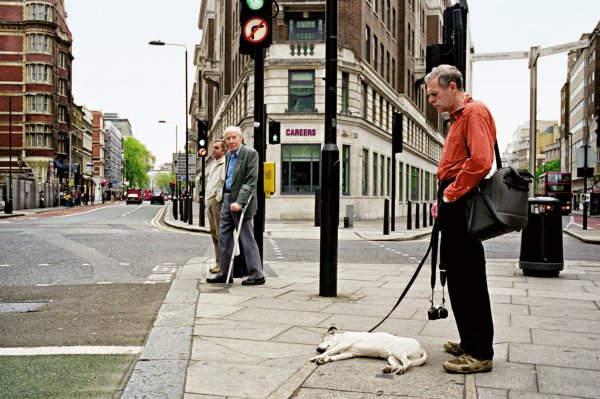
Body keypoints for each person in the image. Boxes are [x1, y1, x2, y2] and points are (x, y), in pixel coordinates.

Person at [425, 64, 495, 374]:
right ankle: (470, 340)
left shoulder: (473, 112)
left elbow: (481, 160)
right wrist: (442, 199)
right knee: (456, 273)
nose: (430, 100)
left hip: (462, 201)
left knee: (468, 278)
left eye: (434, 93)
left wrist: (451, 195)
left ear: (453, 87)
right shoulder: (458, 118)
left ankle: (480, 352)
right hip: (454, 201)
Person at [206, 126, 265, 286]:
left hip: (240, 201)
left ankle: (257, 274)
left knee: (246, 238)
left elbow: (251, 180)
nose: (231, 141)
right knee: (223, 237)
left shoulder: (250, 154)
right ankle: (225, 273)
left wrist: (240, 202)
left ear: (241, 139)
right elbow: (228, 179)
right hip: (226, 199)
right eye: (228, 139)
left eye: (234, 138)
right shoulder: (229, 156)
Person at [205, 139, 227, 274]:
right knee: (214, 234)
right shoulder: (214, 165)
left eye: (217, 148)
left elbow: (225, 184)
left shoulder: (225, 164)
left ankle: (222, 264)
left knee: (220, 234)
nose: (213, 150)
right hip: (210, 203)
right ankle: (218, 262)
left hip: (216, 203)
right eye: (212, 148)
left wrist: (217, 199)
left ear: (224, 150)